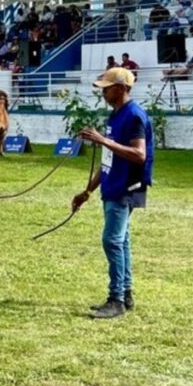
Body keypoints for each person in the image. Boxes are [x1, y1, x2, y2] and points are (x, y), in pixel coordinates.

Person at [71, 67, 154, 319]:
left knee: (112, 241)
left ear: (122, 88)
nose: (103, 91)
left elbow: (140, 155)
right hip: (113, 184)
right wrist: (87, 191)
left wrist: (103, 140)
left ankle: (116, 300)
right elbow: (108, 160)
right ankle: (125, 294)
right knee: (122, 240)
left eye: (107, 87)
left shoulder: (134, 116)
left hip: (126, 187)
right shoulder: (115, 116)